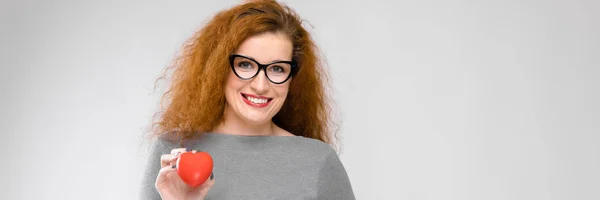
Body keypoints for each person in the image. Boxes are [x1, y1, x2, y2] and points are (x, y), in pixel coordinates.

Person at [139, 0, 355, 199]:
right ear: (219, 68)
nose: (260, 86)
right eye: (245, 65)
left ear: (293, 78)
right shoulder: (171, 154)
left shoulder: (318, 160)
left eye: (277, 69)